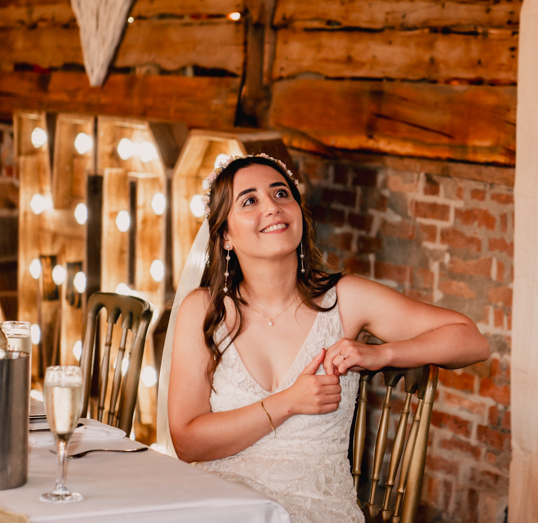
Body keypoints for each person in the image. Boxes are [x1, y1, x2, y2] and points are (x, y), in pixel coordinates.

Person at [156, 153, 489, 523]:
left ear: (299, 212)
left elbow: (472, 340)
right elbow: (187, 442)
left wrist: (384, 354)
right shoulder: (203, 310)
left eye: (281, 194)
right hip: (222, 506)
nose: (272, 207)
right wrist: (288, 403)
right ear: (225, 237)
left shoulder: (345, 299)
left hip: (317, 510)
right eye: (249, 200)